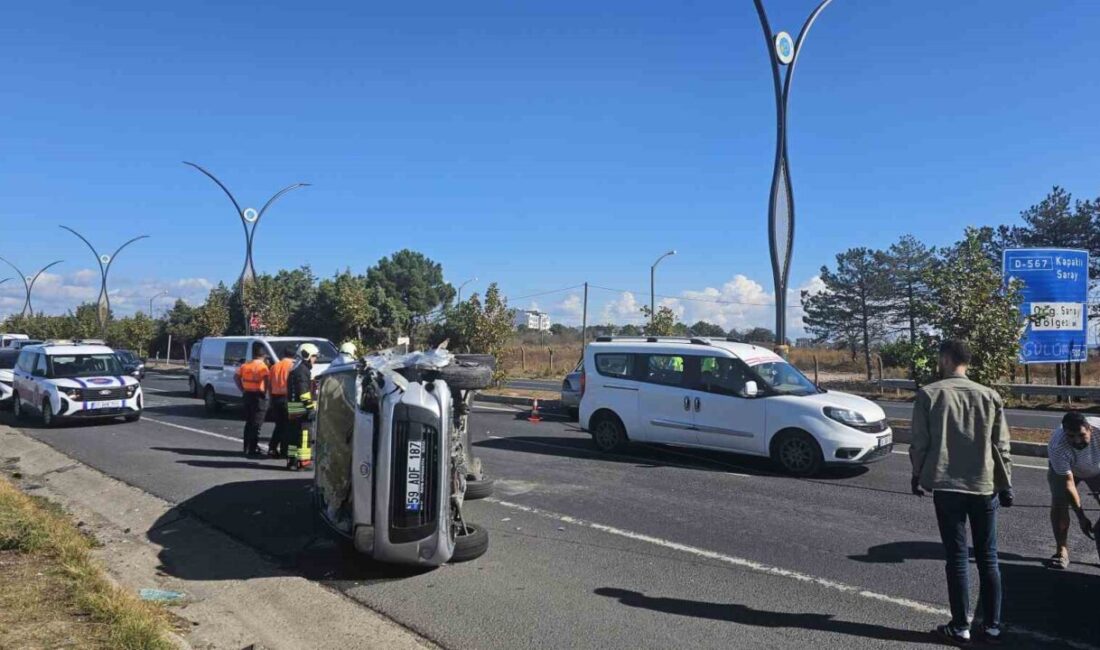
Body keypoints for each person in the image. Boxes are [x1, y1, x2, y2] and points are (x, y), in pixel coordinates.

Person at [909, 339, 1013, 645]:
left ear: (945, 358)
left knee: (956, 559)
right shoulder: (990, 395)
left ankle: (960, 626)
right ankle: (993, 624)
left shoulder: (929, 394)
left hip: (947, 486)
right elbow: (1002, 446)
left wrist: (917, 475)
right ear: (967, 361)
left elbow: (920, 443)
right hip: (984, 486)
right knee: (988, 557)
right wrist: (1006, 484)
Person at [1046, 411, 1100, 569]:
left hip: (1096, 468)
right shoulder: (1057, 445)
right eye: (1071, 436)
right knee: (1060, 504)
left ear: (1089, 429)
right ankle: (1061, 549)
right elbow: (1068, 484)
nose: (1077, 441)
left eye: (1081, 435)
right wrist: (1081, 517)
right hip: (1067, 471)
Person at [286, 342, 319, 470]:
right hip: (302, 408)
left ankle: (292, 461)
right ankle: (303, 462)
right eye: (314, 356)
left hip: (294, 407)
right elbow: (303, 391)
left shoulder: (295, 368)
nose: (315, 359)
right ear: (307, 355)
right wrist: (310, 407)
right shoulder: (302, 370)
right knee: (305, 436)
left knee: (293, 436)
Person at [235, 343, 271, 457]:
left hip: (247, 395)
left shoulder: (245, 365)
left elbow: (236, 377)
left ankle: (246, 447)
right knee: (257, 424)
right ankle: (252, 448)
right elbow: (266, 380)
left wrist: (242, 389)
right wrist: (265, 393)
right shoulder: (263, 367)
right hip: (258, 396)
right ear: (263, 355)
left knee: (249, 422)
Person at [267, 345, 296, 459]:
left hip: (275, 398)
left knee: (279, 425)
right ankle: (285, 451)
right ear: (294, 356)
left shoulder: (275, 366)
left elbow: (269, 384)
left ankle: (272, 447)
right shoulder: (292, 366)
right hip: (287, 398)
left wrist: (270, 399)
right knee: (289, 426)